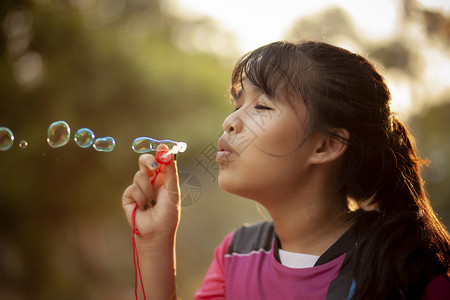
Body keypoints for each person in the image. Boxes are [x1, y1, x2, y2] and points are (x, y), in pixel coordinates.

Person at [121, 41, 450, 299]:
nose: (230, 122)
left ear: (326, 146)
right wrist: (155, 240)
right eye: (237, 106)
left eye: (262, 106)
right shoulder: (237, 255)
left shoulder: (407, 275)